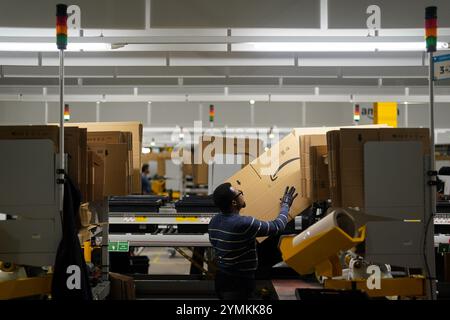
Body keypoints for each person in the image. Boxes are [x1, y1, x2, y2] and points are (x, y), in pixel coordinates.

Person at [209, 182, 298, 300]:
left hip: (222, 280)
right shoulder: (244, 223)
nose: (242, 194)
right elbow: (278, 226)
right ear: (234, 202)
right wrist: (286, 205)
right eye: (239, 193)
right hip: (239, 283)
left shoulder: (214, 221)